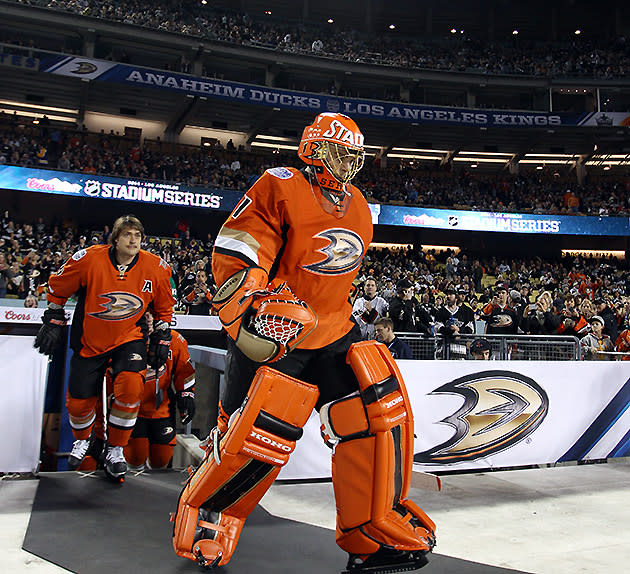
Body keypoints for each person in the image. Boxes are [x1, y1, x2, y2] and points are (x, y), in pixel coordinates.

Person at [171, 113, 436, 572]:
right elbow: (240, 251)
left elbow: (336, 275)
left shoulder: (357, 204)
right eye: (341, 151)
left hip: (334, 330)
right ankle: (208, 515)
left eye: (355, 154)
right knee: (254, 435)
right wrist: (253, 307)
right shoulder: (281, 185)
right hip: (280, 333)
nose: (350, 161)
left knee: (374, 420)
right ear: (313, 150)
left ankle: (368, 530)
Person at [34, 214, 175, 482]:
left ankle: (116, 449)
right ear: (116, 238)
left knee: (132, 388)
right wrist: (53, 316)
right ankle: (82, 440)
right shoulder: (88, 258)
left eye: (138, 235)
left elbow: (165, 306)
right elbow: (59, 285)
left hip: (129, 337)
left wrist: (162, 333)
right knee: (77, 403)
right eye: (128, 234)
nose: (134, 240)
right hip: (91, 340)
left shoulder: (155, 266)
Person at [80, 312, 195, 472]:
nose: (148, 317)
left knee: (161, 460)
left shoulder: (174, 340)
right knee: (135, 457)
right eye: (144, 313)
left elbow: (184, 370)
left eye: (151, 313)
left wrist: (186, 396)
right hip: (130, 411)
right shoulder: (119, 339)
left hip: (161, 410)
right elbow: (105, 376)